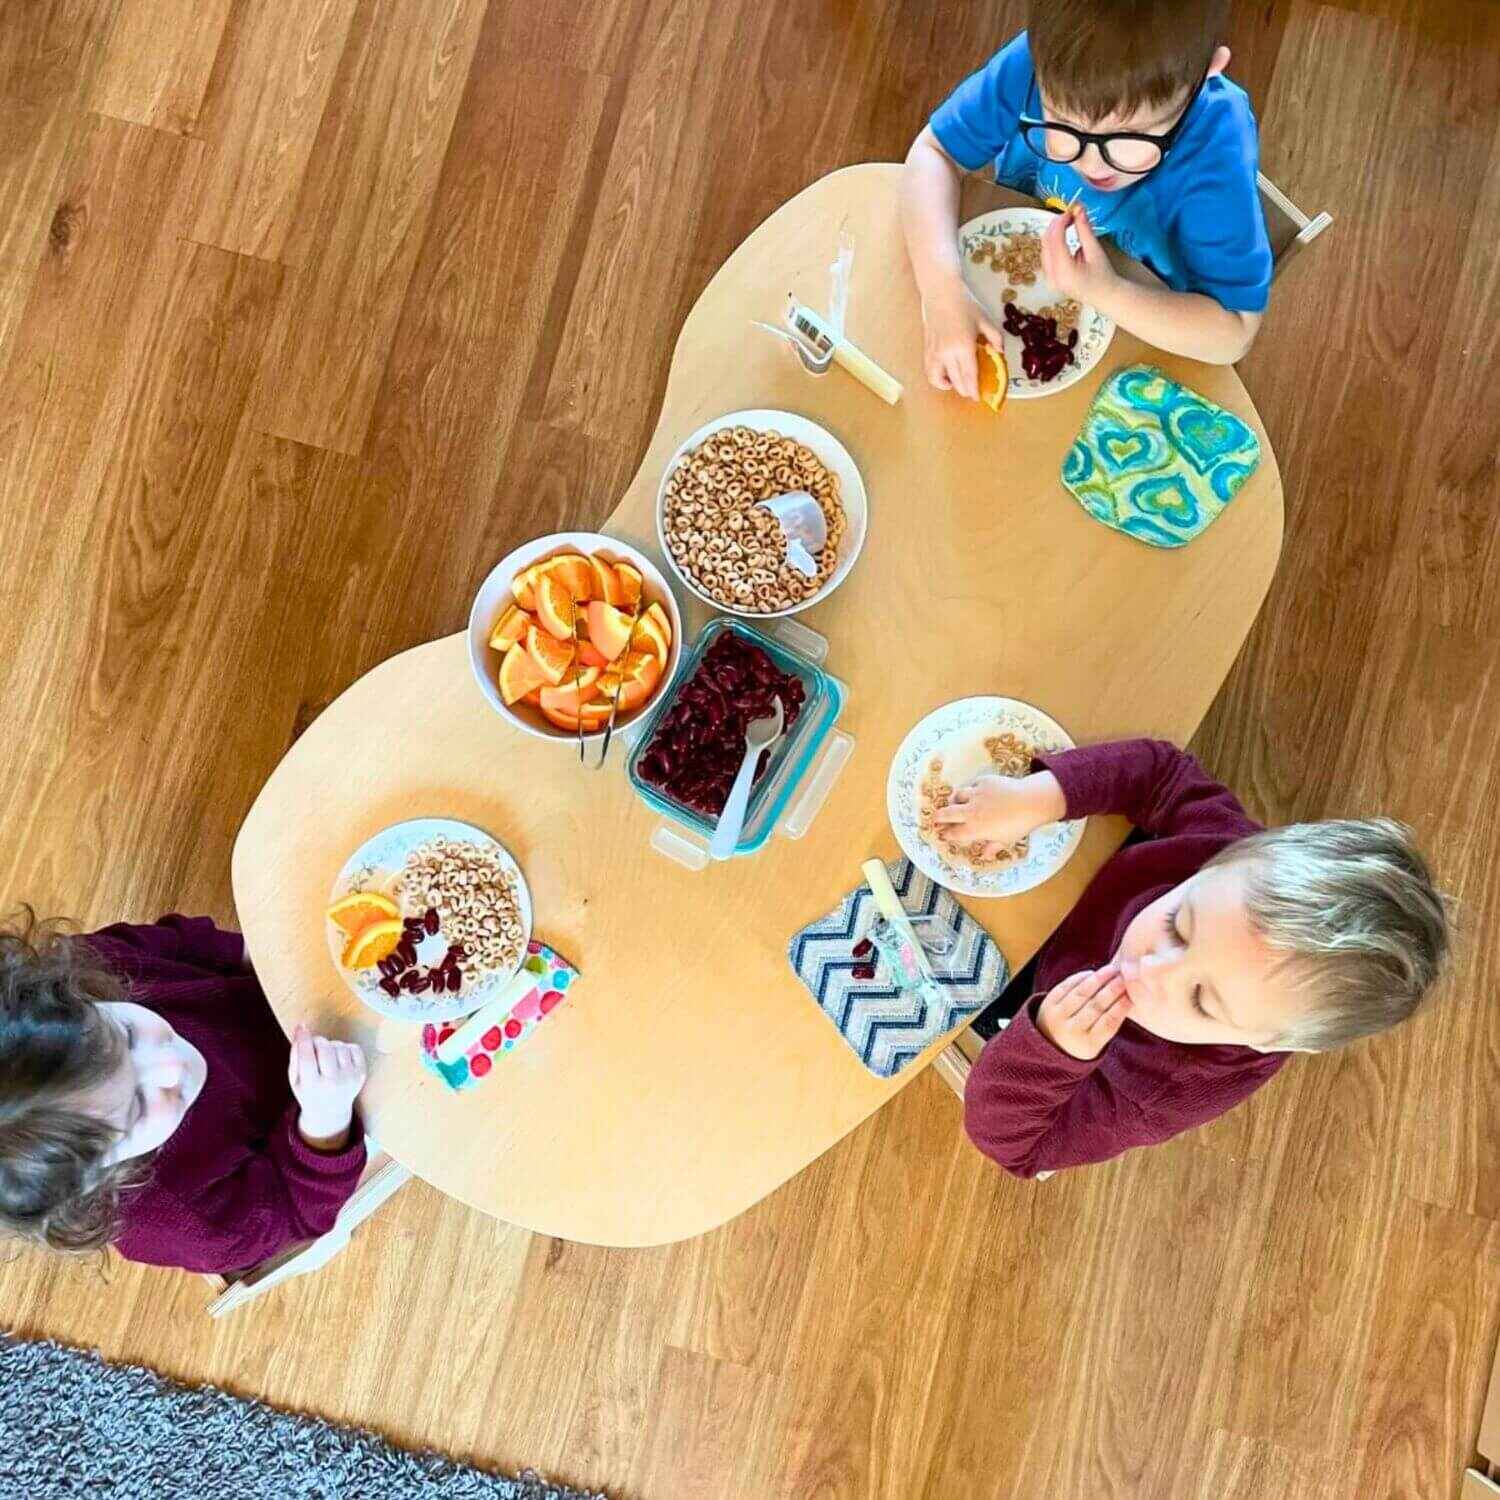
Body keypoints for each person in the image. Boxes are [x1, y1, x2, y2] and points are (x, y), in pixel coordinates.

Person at [932, 740, 1449, 1177]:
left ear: (1263, 1040)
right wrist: (1040, 797)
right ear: (1233, 855)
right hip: (1067, 890)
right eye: (1179, 926)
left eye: (1201, 1000)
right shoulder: (1230, 859)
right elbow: (1161, 773)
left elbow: (1016, 1147)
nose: (1149, 969)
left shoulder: (1163, 1091)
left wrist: (1048, 1046)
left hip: (1031, 1001)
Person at [901, 0, 1272, 395]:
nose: (1092, 164)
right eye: (1062, 120)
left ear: (1206, 74)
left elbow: (1235, 333)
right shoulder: (1045, 59)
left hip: (1147, 335)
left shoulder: (1217, 150)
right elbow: (934, 152)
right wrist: (942, 291)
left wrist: (1104, 291)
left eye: (1129, 136)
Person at [0, 911, 367, 1272]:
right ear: (95, 1178)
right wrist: (325, 1120)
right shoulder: (183, 1224)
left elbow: (188, 942)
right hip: (339, 1115)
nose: (171, 1064)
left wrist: (274, 960)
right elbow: (297, 1215)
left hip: (304, 997)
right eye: (139, 1105)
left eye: (128, 1035)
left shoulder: (89, 969)